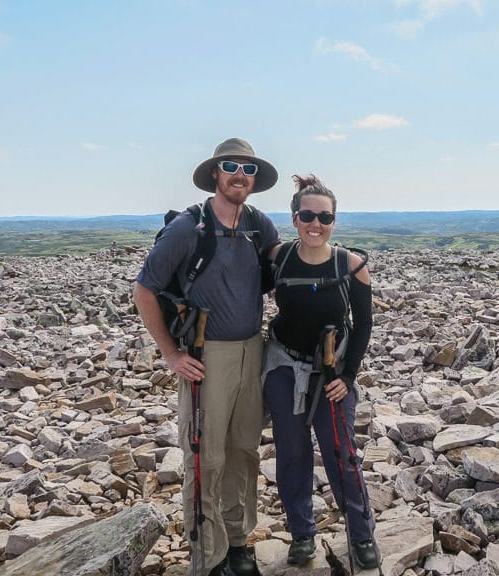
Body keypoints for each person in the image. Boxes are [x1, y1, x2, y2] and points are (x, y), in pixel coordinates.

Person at [133, 137, 280, 576]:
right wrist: (171, 353)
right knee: (205, 457)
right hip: (205, 356)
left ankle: (238, 545)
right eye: (231, 166)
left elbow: (286, 267)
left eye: (248, 168)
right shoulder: (189, 227)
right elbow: (144, 289)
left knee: (244, 452)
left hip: (252, 350)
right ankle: (209, 557)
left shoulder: (259, 225)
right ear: (216, 173)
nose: (240, 174)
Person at [261, 175, 379, 569]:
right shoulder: (279, 258)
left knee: (341, 453)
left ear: (334, 221)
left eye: (324, 217)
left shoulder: (351, 265)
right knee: (292, 454)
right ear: (294, 217)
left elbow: (363, 325)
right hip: (284, 368)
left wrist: (348, 377)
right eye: (307, 214)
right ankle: (302, 535)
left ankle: (361, 535)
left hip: (332, 373)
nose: (316, 223)